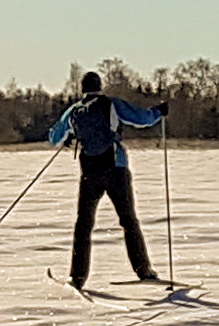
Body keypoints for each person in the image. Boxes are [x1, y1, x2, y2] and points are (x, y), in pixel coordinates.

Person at [49, 72, 165, 286]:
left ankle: (77, 276)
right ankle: (143, 270)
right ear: (99, 86)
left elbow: (54, 137)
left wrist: (70, 136)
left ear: (82, 89)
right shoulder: (111, 104)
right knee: (128, 221)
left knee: (84, 224)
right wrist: (158, 112)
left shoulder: (74, 111)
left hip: (89, 173)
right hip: (116, 169)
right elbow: (141, 119)